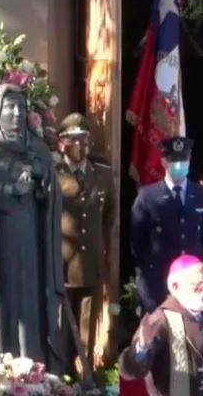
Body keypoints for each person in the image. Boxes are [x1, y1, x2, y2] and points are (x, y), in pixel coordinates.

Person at [0, 84, 65, 387]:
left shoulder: (37, 149)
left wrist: (42, 179)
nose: (18, 114)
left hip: (32, 242)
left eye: (22, 108)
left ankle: (32, 368)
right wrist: (9, 189)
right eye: (10, 107)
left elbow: (53, 192)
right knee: (4, 303)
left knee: (30, 302)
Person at [119, 254, 203, 396]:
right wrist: (141, 349)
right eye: (198, 284)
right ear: (175, 286)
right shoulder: (159, 322)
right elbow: (128, 372)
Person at [56, 113, 116, 374]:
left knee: (87, 327)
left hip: (90, 263)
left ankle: (84, 376)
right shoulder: (52, 174)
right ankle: (59, 374)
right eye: (73, 139)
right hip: (60, 264)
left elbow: (108, 217)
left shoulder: (102, 175)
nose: (79, 145)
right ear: (61, 143)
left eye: (84, 138)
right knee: (59, 325)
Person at [130, 136, 203, 313]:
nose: (179, 165)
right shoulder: (148, 196)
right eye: (174, 161)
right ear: (163, 162)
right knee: (160, 335)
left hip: (193, 282)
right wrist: (152, 267)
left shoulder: (202, 195)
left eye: (183, 160)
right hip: (158, 283)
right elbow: (137, 240)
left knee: (191, 336)